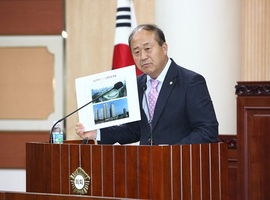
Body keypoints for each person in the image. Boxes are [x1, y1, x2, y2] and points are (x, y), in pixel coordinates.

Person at [76, 24, 218, 145]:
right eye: (136, 52)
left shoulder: (190, 82)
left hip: (180, 168)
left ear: (164, 48)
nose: (143, 57)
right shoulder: (137, 84)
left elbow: (207, 130)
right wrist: (97, 133)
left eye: (148, 49)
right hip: (146, 167)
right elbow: (134, 131)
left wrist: (172, 152)